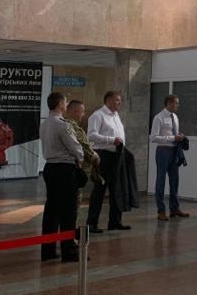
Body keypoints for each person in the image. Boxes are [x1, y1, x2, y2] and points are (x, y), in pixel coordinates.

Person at [40, 92, 84, 262]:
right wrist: (81, 158)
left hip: (50, 168)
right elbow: (74, 146)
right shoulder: (62, 124)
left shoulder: (45, 123)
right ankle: (69, 251)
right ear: (60, 105)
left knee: (51, 210)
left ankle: (48, 250)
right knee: (68, 211)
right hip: (64, 169)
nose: (66, 105)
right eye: (65, 103)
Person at [87, 90, 131, 233]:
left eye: (119, 100)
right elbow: (91, 135)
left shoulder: (116, 115)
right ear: (108, 100)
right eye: (117, 100)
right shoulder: (98, 115)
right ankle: (91, 223)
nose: (119, 102)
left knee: (117, 190)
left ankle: (115, 221)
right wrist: (111, 140)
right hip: (104, 156)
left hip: (117, 156)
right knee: (99, 190)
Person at [150, 94, 189, 221]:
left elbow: (174, 133)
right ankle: (161, 210)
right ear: (169, 103)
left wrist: (179, 136)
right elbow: (154, 138)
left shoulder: (175, 117)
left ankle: (174, 208)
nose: (178, 105)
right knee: (161, 180)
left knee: (174, 180)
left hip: (174, 151)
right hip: (163, 151)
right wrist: (173, 138)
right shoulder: (159, 118)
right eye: (176, 103)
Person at [65, 99, 99, 187]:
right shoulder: (74, 128)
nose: (83, 114)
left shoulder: (61, 124)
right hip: (74, 168)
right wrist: (96, 157)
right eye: (82, 111)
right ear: (75, 112)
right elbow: (85, 148)